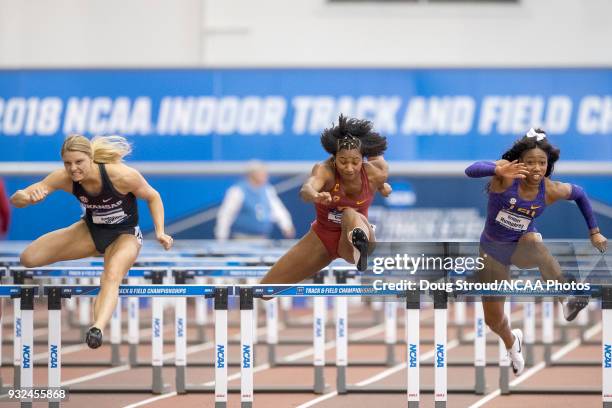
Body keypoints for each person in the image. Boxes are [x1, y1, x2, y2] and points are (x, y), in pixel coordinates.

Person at [465, 127, 607, 376]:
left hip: (522, 247)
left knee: (534, 242)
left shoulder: (550, 190)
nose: (536, 168)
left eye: (542, 163)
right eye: (530, 163)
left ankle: (567, 299)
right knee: (493, 321)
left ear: (548, 165)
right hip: (492, 252)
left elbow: (581, 195)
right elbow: (471, 170)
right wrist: (496, 168)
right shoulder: (507, 176)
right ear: (520, 162)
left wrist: (594, 231)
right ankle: (512, 341)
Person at [10, 134, 173, 349]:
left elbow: (153, 196)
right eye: (67, 163)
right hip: (91, 230)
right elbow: (17, 199)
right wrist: (26, 197)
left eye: (79, 162)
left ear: (91, 158)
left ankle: (97, 328)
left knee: (112, 274)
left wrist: (160, 231)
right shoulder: (64, 178)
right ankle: (97, 250)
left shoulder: (121, 176)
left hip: (125, 235)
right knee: (28, 258)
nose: (73, 169)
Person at [261, 114, 391, 285]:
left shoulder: (376, 172)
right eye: (343, 161)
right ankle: (358, 247)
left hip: (356, 234)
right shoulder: (325, 171)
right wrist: (315, 195)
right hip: (322, 239)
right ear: (334, 158)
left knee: (349, 214)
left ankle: (360, 250)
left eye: (355, 162)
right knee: (264, 290)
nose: (349, 168)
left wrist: (382, 186)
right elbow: (307, 189)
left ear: (362, 159)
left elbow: (376, 153)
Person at [215, 161, 295, 240]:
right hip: (242, 239)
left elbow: (278, 210)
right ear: (252, 175)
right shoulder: (238, 191)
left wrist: (286, 226)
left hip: (263, 238)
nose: (266, 176)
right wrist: (221, 236)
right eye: (262, 174)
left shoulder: (267, 190)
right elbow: (226, 214)